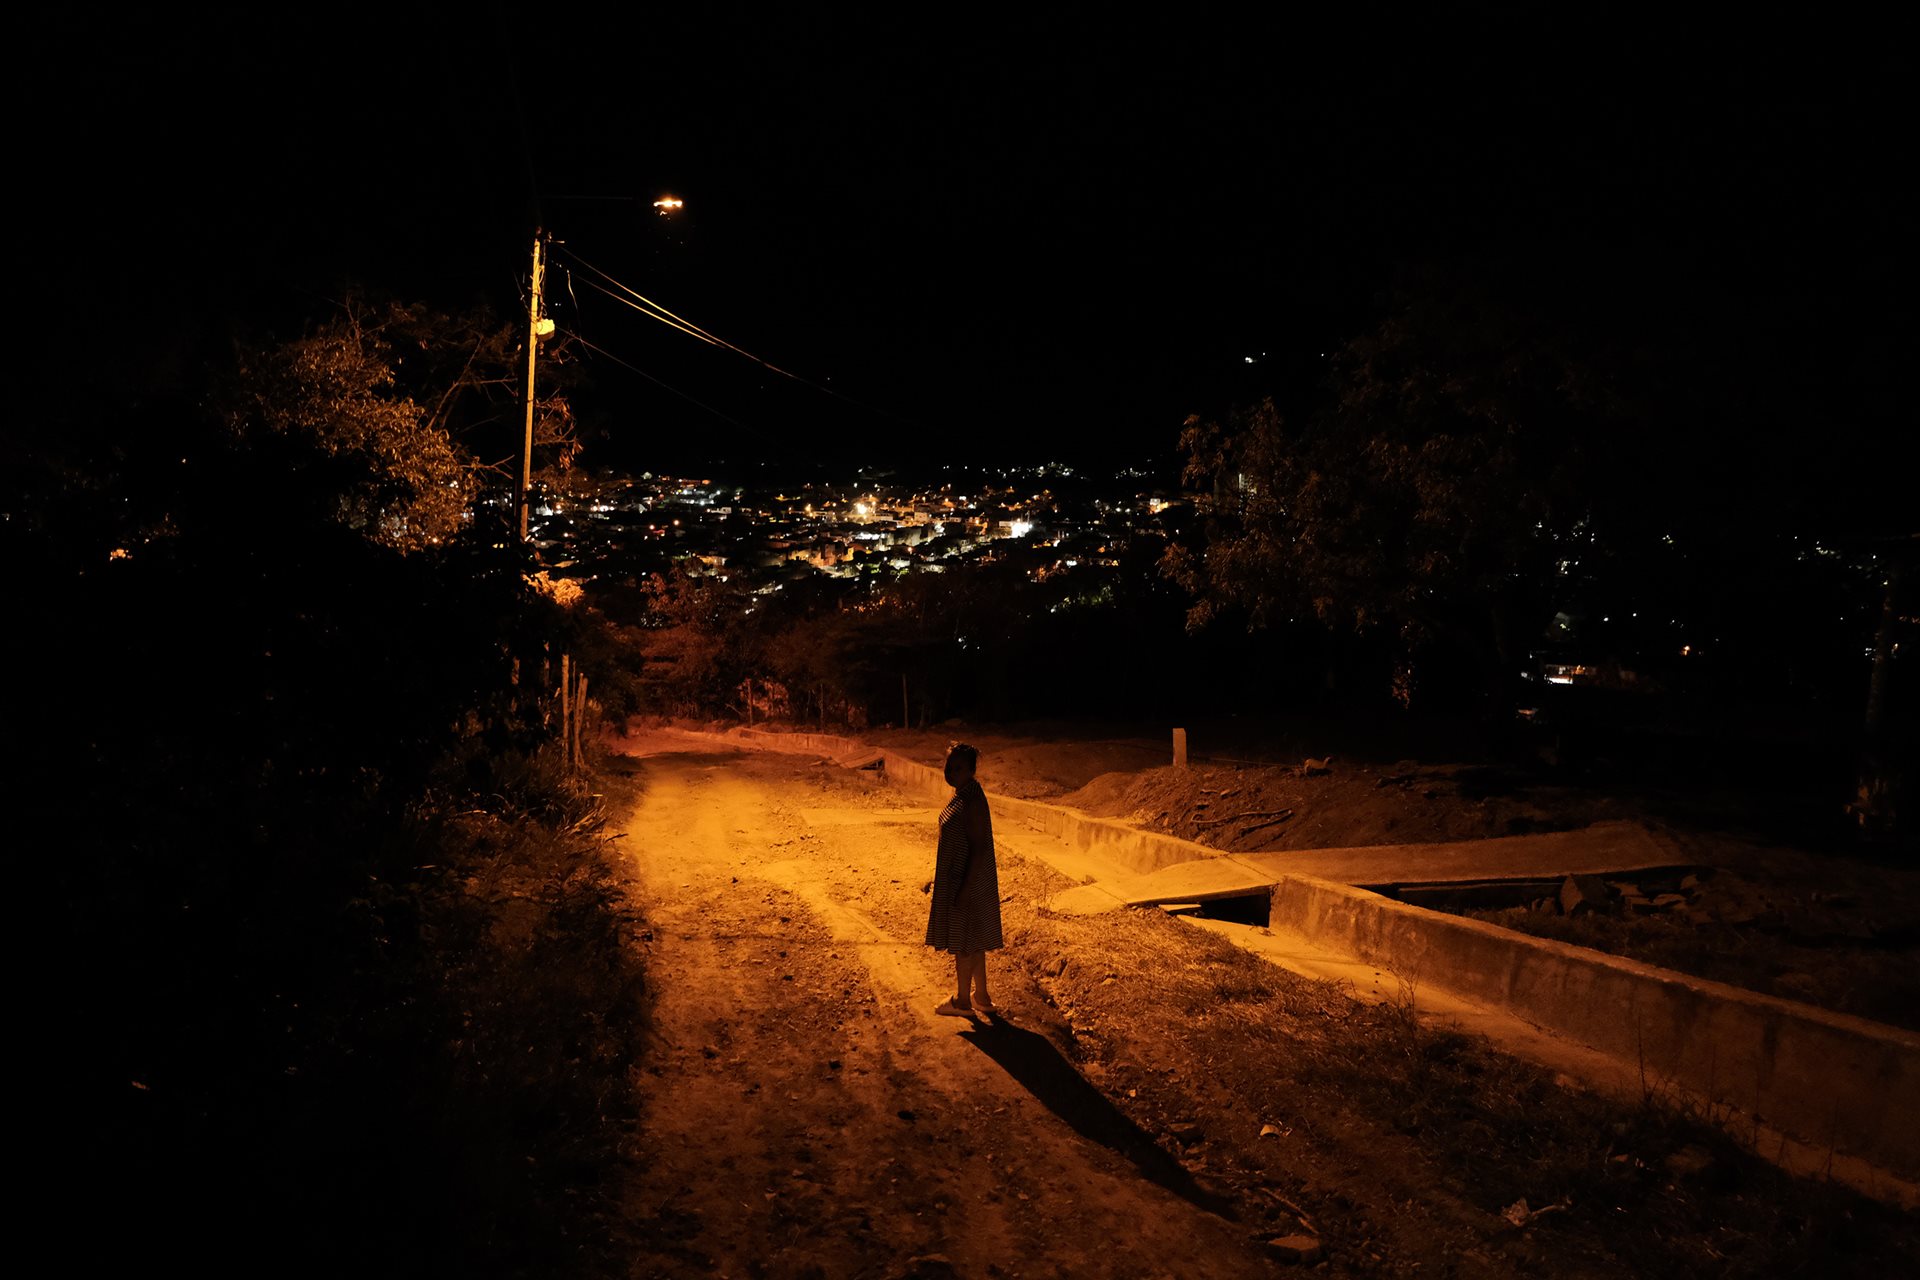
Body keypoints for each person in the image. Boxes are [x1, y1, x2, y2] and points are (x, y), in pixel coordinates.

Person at [924, 741, 1003, 1017]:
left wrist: (965, 889)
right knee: (975, 940)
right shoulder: (965, 794)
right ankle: (981, 996)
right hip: (965, 879)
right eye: (949, 766)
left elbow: (980, 847)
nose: (951, 772)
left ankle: (962, 1002)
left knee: (963, 944)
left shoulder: (970, 800)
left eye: (958, 767)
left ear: (971, 770)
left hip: (967, 881)